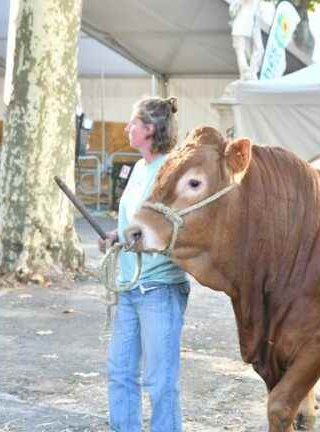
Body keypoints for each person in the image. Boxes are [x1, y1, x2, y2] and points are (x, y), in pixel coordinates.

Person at [99, 96, 190, 432]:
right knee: (120, 372)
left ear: (149, 129)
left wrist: (132, 238)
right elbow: (136, 222)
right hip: (129, 286)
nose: (127, 128)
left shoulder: (170, 171)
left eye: (133, 123)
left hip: (159, 289)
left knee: (160, 381)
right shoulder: (138, 167)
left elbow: (172, 226)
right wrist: (115, 235)